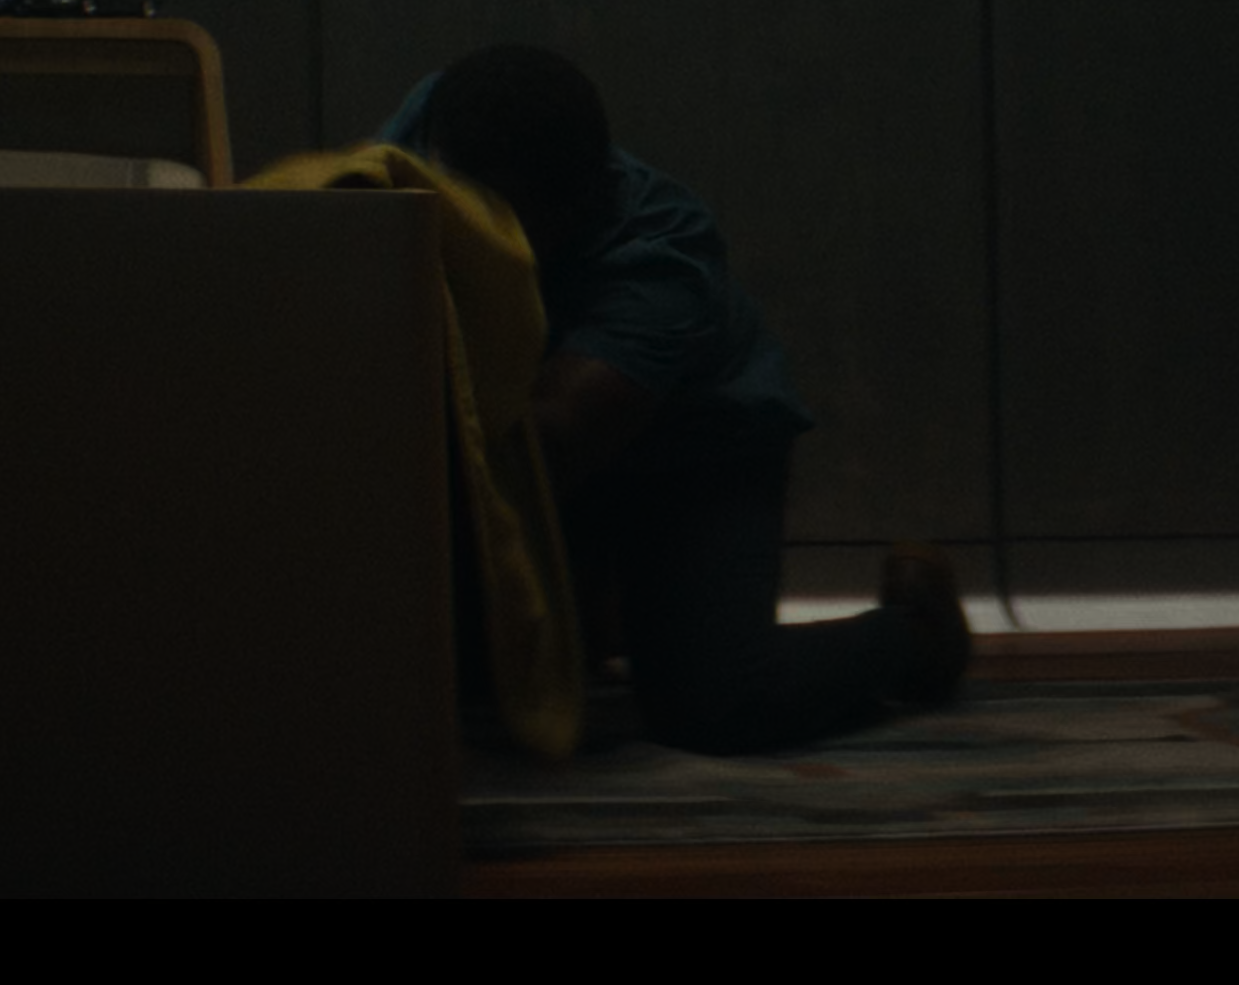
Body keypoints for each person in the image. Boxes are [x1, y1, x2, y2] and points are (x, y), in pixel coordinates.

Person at [382, 43, 970, 756]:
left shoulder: (659, 254)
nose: (473, 233)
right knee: (455, 674)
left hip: (695, 454)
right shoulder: (433, 131)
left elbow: (548, 450)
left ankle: (918, 631)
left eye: (502, 220)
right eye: (461, 205)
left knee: (717, 705)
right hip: (517, 437)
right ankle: (598, 614)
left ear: (581, 200)